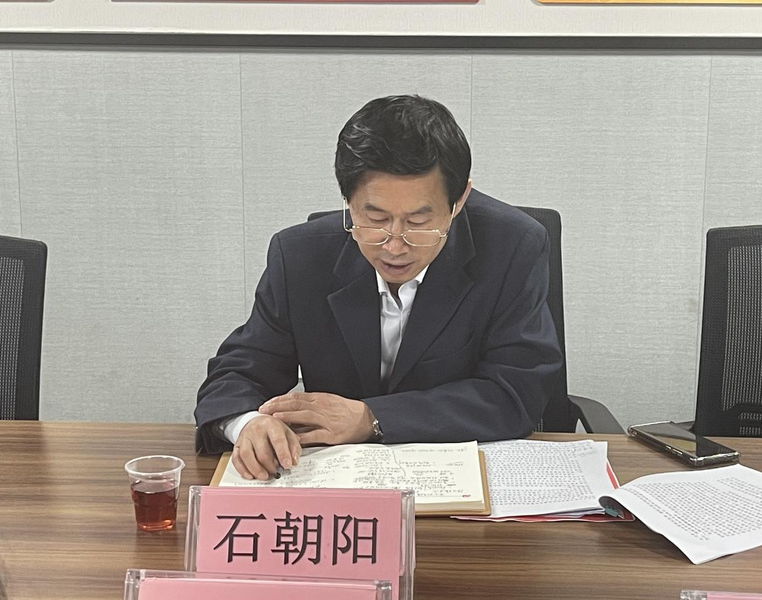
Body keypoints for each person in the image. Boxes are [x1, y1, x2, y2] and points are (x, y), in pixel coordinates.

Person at [195, 94, 562, 480]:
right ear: (348, 201)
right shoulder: (300, 257)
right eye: (375, 218)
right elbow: (237, 374)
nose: (395, 244)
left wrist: (373, 417)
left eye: (418, 222)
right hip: (339, 485)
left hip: (462, 481)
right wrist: (247, 424)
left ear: (459, 200)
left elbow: (516, 391)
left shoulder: (512, 247)